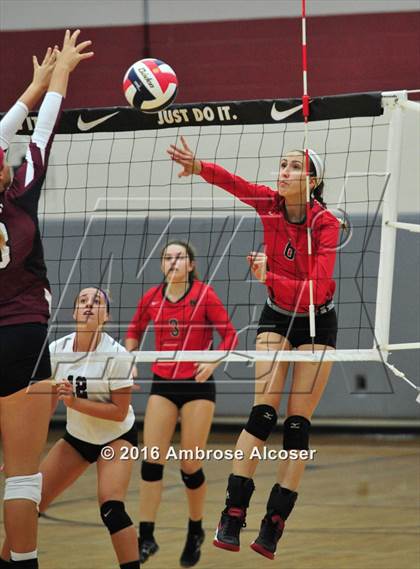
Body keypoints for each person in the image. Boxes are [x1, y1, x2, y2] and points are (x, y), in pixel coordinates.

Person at [167, 138, 340, 559]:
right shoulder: (269, 204)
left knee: (297, 425)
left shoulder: (326, 223)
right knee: (263, 413)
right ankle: (232, 513)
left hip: (318, 320)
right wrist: (199, 166)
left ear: (312, 180)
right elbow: (235, 183)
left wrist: (269, 277)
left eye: (294, 167)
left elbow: (316, 290)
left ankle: (274, 522)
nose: (282, 172)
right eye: (281, 164)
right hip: (277, 315)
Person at [0, 30, 93, 569]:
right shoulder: (21, 196)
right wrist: (56, 81)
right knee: (22, 474)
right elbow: (44, 136)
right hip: (25, 339)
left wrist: (34, 87)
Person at [1, 287, 140, 569]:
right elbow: (47, 404)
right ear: (75, 312)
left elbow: (119, 412)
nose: (89, 305)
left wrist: (75, 403)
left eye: (97, 301)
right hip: (77, 438)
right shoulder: (56, 350)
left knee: (112, 508)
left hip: (117, 437)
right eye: (83, 301)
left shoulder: (117, 355)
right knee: (29, 503)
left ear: (106, 316)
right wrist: (23, 452)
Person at [125, 240, 238, 567]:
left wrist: (214, 361)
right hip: (164, 383)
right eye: (167, 257)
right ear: (162, 265)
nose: (173, 262)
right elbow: (133, 330)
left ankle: (195, 530)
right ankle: (146, 536)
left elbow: (230, 335)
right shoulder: (152, 298)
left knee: (189, 464)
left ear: (190, 265)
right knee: (151, 462)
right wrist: (130, 359)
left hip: (197, 386)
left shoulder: (204, 294)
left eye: (180, 257)